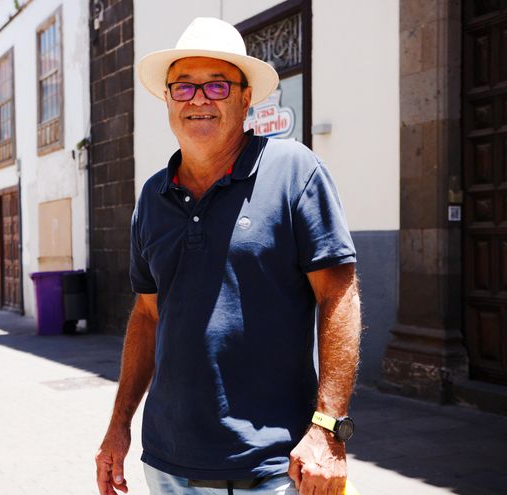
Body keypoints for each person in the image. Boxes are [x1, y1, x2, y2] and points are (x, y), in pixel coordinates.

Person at [95, 18, 362, 495]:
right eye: (184, 87)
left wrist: (328, 430)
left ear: (245, 99)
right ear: (168, 100)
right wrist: (118, 427)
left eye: (217, 85)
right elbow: (147, 316)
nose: (199, 99)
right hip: (167, 467)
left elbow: (338, 295)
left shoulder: (294, 171)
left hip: (275, 468)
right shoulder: (152, 197)